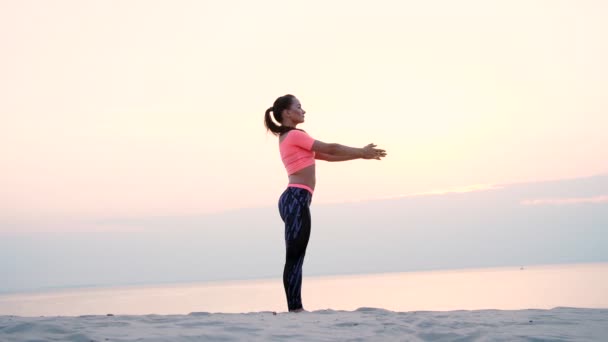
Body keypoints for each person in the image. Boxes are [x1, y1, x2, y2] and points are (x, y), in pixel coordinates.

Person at [264, 94, 387, 312]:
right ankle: (295, 310)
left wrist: (361, 156)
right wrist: (362, 150)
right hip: (295, 199)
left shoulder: (290, 137)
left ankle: (296, 308)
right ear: (287, 113)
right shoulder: (294, 135)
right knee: (294, 257)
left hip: (296, 199)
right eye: (299, 107)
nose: (303, 111)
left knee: (296, 256)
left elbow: (328, 156)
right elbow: (331, 147)